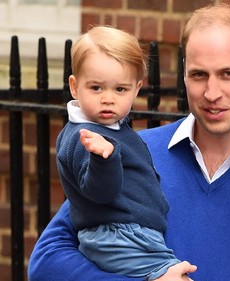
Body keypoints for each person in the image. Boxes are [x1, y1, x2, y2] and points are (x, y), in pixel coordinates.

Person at [28, 3, 230, 281]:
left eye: (228, 74)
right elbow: (46, 261)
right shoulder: (132, 150)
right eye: (198, 75)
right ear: (183, 74)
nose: (212, 93)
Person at [49, 25, 193, 280]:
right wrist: (102, 158)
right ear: (74, 86)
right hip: (116, 235)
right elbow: (99, 193)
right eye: (96, 88)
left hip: (132, 233)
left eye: (120, 89)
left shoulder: (115, 130)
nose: (108, 98)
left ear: (136, 89)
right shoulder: (85, 138)